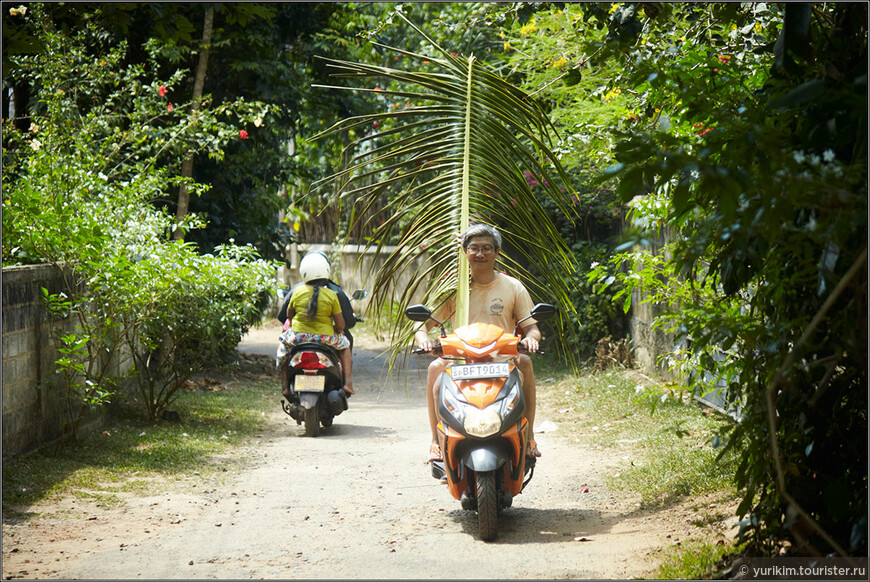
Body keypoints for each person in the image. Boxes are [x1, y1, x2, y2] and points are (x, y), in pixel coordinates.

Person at [414, 224, 542, 462]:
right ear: (465, 252)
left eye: (486, 248)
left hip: (502, 358)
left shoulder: (513, 286)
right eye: (474, 248)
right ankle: (436, 442)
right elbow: (421, 325)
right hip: (460, 359)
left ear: (497, 252)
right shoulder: (454, 289)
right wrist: (424, 340)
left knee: (524, 361)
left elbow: (532, 327)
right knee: (434, 371)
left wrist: (530, 340)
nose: (480, 254)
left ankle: (530, 436)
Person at [278, 251, 354, 395]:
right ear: (326, 270)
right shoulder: (332, 295)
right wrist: (338, 330)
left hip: (298, 338)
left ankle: (285, 386)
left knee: (283, 350)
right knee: (345, 347)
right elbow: (340, 326)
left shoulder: (297, 291)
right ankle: (348, 383)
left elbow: (288, 315)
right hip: (325, 338)